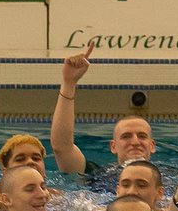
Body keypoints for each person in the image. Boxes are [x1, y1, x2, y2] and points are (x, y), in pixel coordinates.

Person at [50, 42, 157, 174]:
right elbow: (62, 147)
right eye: (126, 136)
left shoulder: (172, 176)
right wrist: (68, 83)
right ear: (113, 146)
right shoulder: (99, 176)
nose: (135, 142)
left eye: (142, 136)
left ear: (152, 145)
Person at [0, 133, 49, 211]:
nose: (30, 162)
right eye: (20, 159)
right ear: (4, 169)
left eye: (36, 158)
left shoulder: (55, 195)